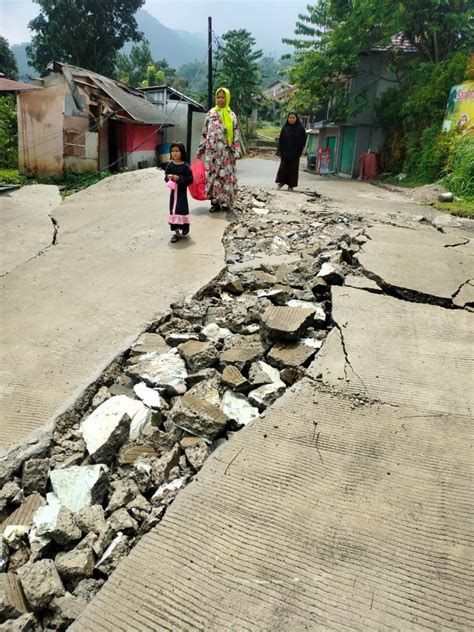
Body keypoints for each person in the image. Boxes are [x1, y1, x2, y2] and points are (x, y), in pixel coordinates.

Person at [196, 87, 241, 212]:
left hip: (226, 153)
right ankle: (214, 203)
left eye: (223, 97)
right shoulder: (211, 113)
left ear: (227, 98)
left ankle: (226, 202)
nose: (220, 99)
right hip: (212, 154)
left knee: (225, 177)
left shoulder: (231, 115)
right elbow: (205, 132)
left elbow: (236, 134)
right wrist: (201, 149)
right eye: (218, 97)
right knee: (213, 177)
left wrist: (236, 152)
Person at [164, 142, 193, 242]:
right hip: (173, 193)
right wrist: (168, 178)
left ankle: (185, 226)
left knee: (182, 210)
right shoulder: (170, 165)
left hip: (181, 193)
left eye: (177, 151)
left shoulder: (185, 166)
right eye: (172, 151)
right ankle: (176, 233)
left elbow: (190, 179)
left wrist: (179, 178)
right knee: (173, 211)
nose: (174, 153)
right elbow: (166, 176)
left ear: (182, 152)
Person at [275, 111, 307, 192]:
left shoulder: (300, 128)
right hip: (285, 152)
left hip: (295, 153)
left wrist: (301, 150)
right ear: (288, 118)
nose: (291, 119)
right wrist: (279, 151)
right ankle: (281, 183)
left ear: (296, 118)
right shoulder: (285, 128)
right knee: (283, 168)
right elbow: (281, 140)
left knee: (293, 170)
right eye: (290, 118)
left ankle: (290, 186)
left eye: (293, 118)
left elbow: (304, 140)